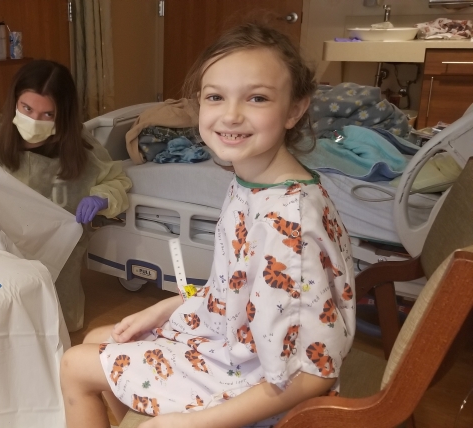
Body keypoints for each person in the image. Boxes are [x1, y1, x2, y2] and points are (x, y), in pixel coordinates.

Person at [59, 23, 356, 428]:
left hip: (263, 385)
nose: (231, 115)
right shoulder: (251, 181)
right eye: (215, 97)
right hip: (233, 342)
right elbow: (235, 286)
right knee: (100, 336)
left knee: (77, 364)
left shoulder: (288, 227)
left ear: (295, 109)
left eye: (257, 98)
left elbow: (312, 375)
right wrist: (165, 307)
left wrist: (194, 422)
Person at [0, 60, 132, 332]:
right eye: (26, 109)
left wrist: (102, 197)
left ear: (63, 116)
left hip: (56, 255)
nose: (34, 122)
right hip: (0, 246)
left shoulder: (81, 148)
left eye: (47, 115)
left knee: (54, 322)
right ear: (14, 102)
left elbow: (116, 179)